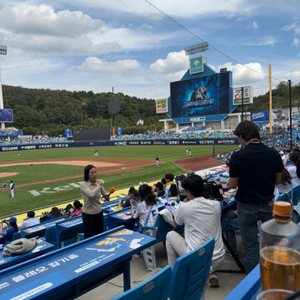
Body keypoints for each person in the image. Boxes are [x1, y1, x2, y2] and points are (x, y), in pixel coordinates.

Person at [229, 121, 283, 274]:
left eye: (238, 138)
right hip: (268, 203)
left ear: (242, 136)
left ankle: (253, 285)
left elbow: (232, 185)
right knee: (270, 244)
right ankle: (272, 275)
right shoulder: (274, 153)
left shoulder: (238, 155)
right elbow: (277, 181)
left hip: (246, 206)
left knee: (250, 248)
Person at [166, 174, 225, 287]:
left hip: (197, 258)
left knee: (170, 235)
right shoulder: (216, 205)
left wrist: (184, 204)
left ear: (188, 192)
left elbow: (176, 223)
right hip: (219, 258)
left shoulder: (184, 207)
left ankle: (173, 275)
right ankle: (210, 273)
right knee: (207, 238)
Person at [80, 165, 104, 239]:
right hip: (88, 215)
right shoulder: (83, 184)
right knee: (89, 237)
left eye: (95, 172)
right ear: (87, 174)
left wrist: (107, 196)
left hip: (99, 212)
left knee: (100, 236)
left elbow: (105, 195)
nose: (94, 174)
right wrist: (99, 185)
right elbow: (91, 195)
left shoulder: (98, 184)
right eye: (92, 173)